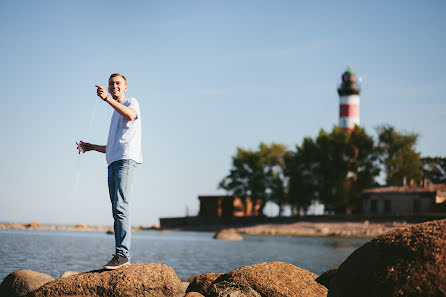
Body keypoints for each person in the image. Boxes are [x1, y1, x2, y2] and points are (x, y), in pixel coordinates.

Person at [78, 73, 142, 270]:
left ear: (125, 87)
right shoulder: (116, 112)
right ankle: (119, 254)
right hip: (113, 162)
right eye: (111, 84)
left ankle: (123, 255)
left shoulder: (132, 102)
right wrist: (91, 147)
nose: (114, 86)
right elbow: (113, 146)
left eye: (117, 84)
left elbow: (131, 115)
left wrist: (106, 99)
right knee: (116, 209)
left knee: (122, 207)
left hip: (125, 162)